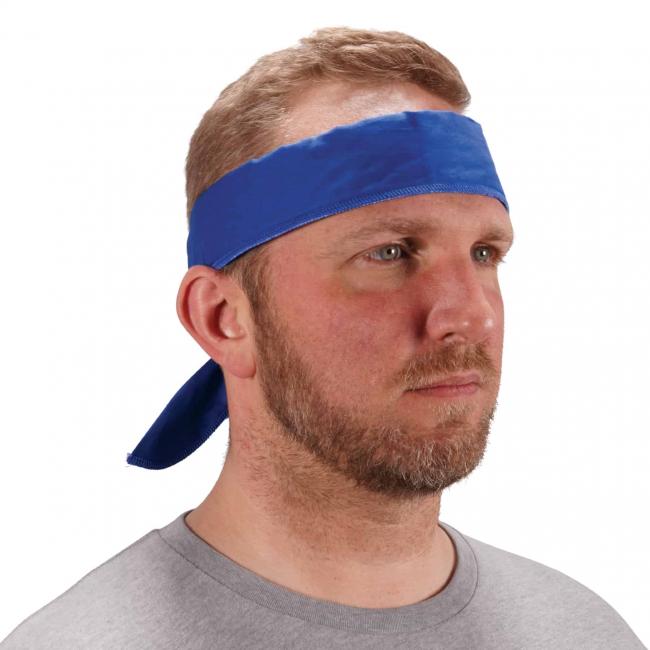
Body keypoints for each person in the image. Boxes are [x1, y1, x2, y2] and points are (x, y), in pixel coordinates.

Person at [1, 26, 645, 650]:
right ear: (224, 318)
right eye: (390, 252)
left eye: (484, 253)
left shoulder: (581, 632)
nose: (472, 316)